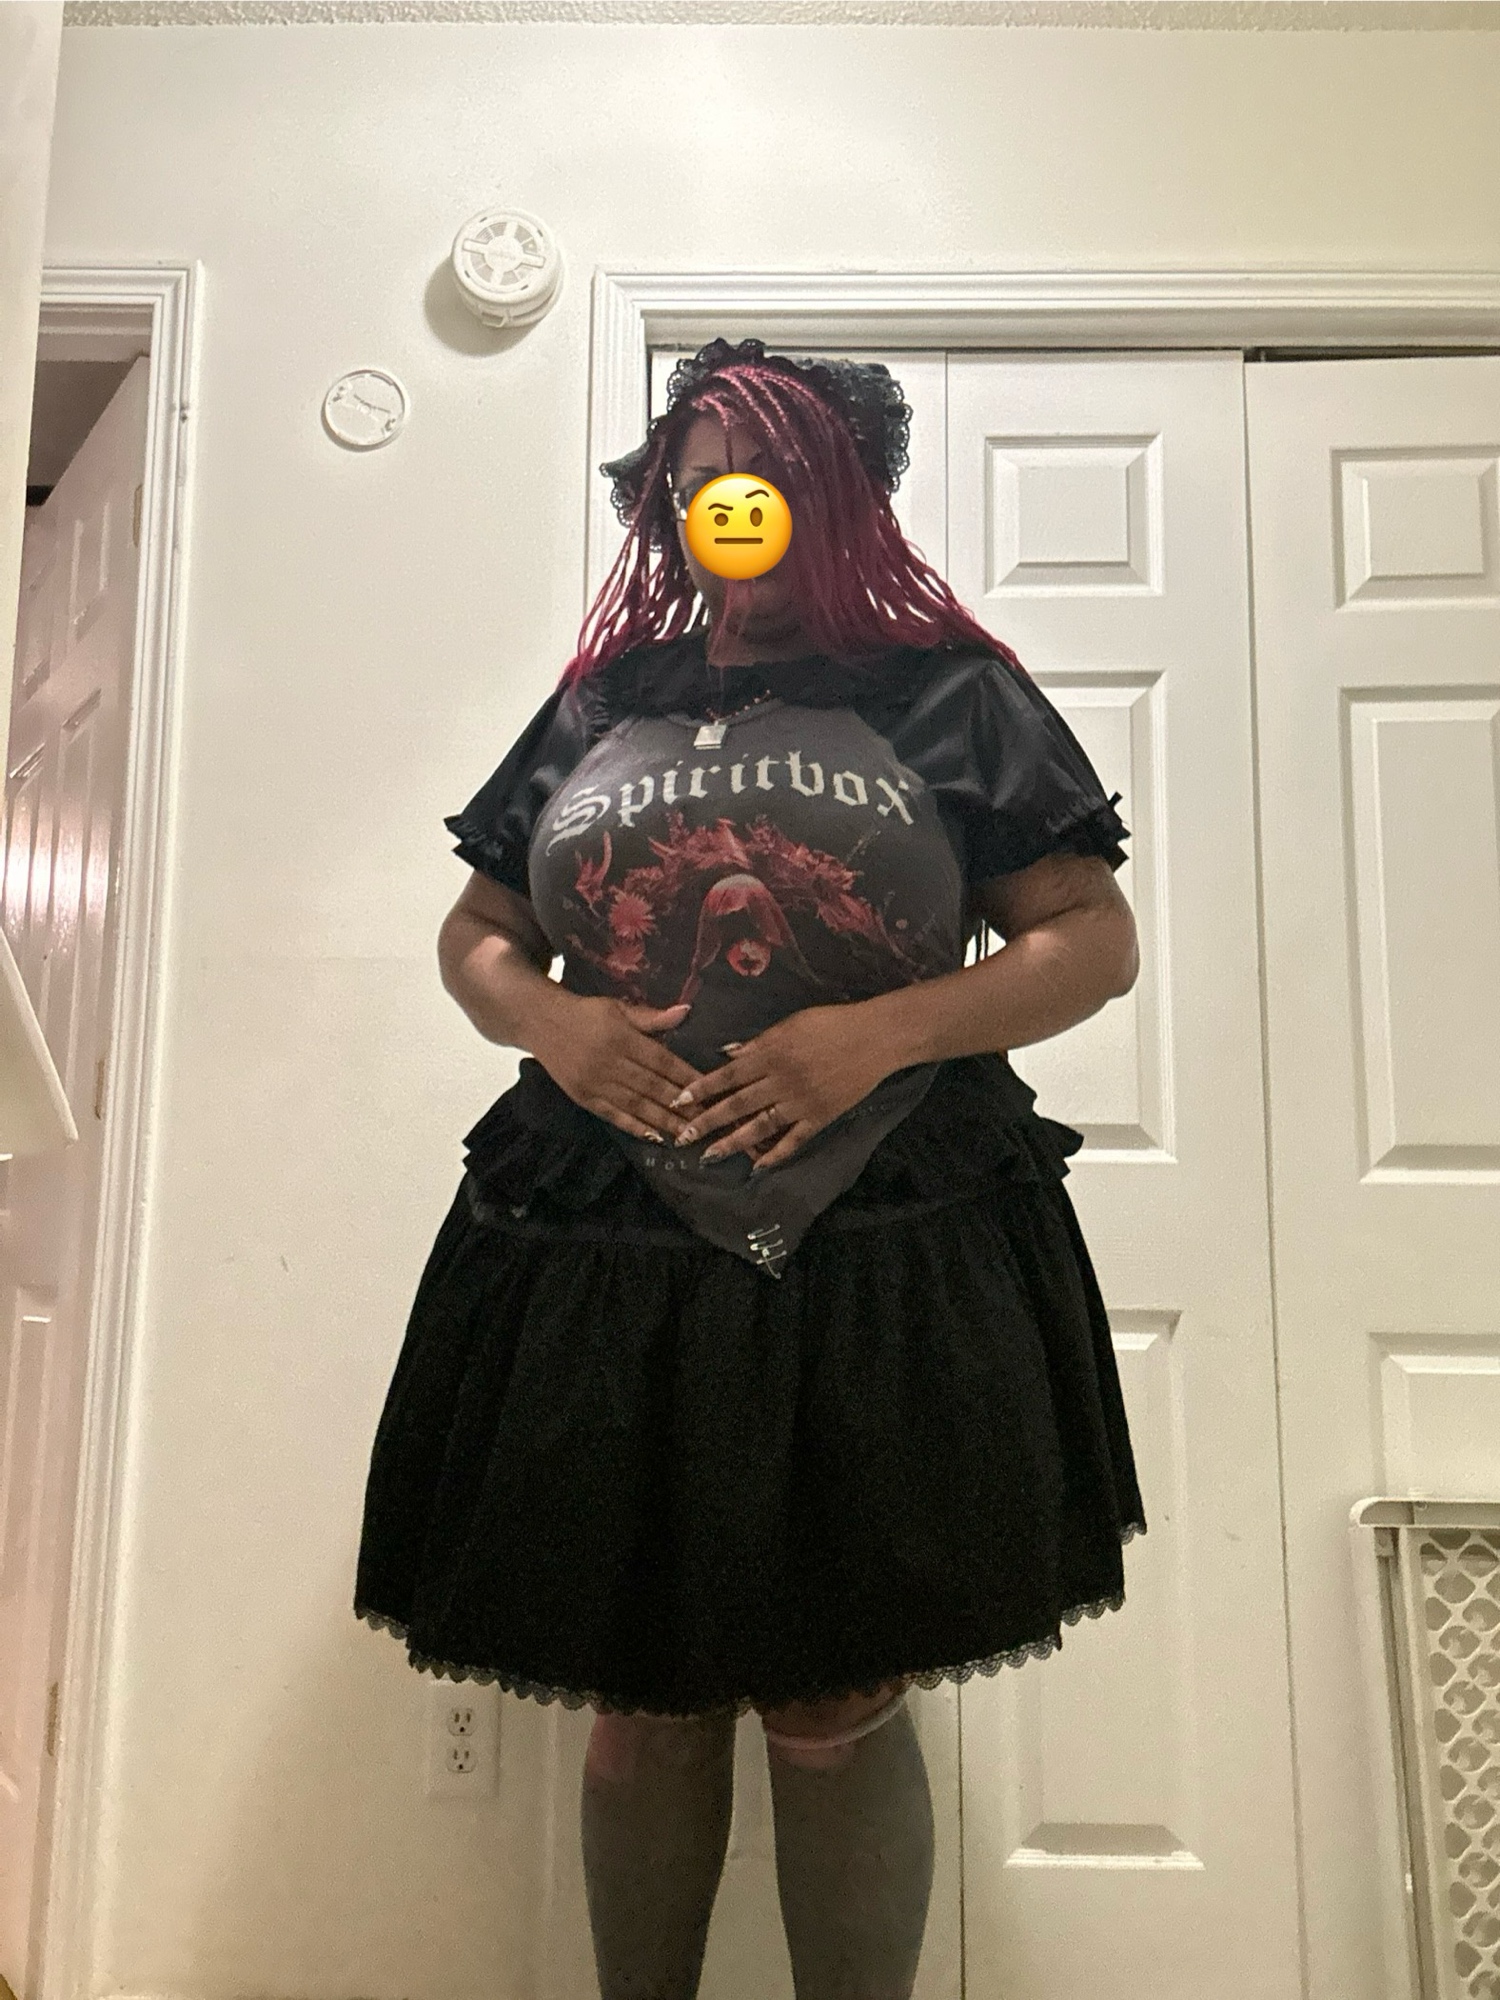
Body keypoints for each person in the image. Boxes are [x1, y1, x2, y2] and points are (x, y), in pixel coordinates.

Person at [353, 336, 1148, 2000]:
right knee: (641, 1691)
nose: (739, 508)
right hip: (602, 1239)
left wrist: (879, 1034)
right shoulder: (600, 705)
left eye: (775, 478)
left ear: (842, 495)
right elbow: (480, 932)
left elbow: (1088, 940)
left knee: (836, 1695)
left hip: (887, 1234)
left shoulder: (953, 695)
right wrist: (551, 1026)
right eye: (705, 480)